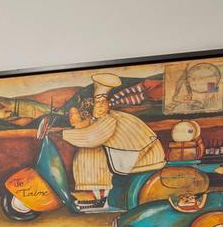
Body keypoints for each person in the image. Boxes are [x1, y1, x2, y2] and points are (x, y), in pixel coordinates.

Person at [59, 73, 165, 207]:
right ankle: (96, 195)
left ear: (109, 105)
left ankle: (100, 198)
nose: (101, 106)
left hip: (143, 154)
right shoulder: (95, 119)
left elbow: (92, 137)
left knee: (90, 154)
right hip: (128, 151)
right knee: (88, 153)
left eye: (103, 103)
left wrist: (63, 135)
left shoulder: (110, 119)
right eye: (98, 103)